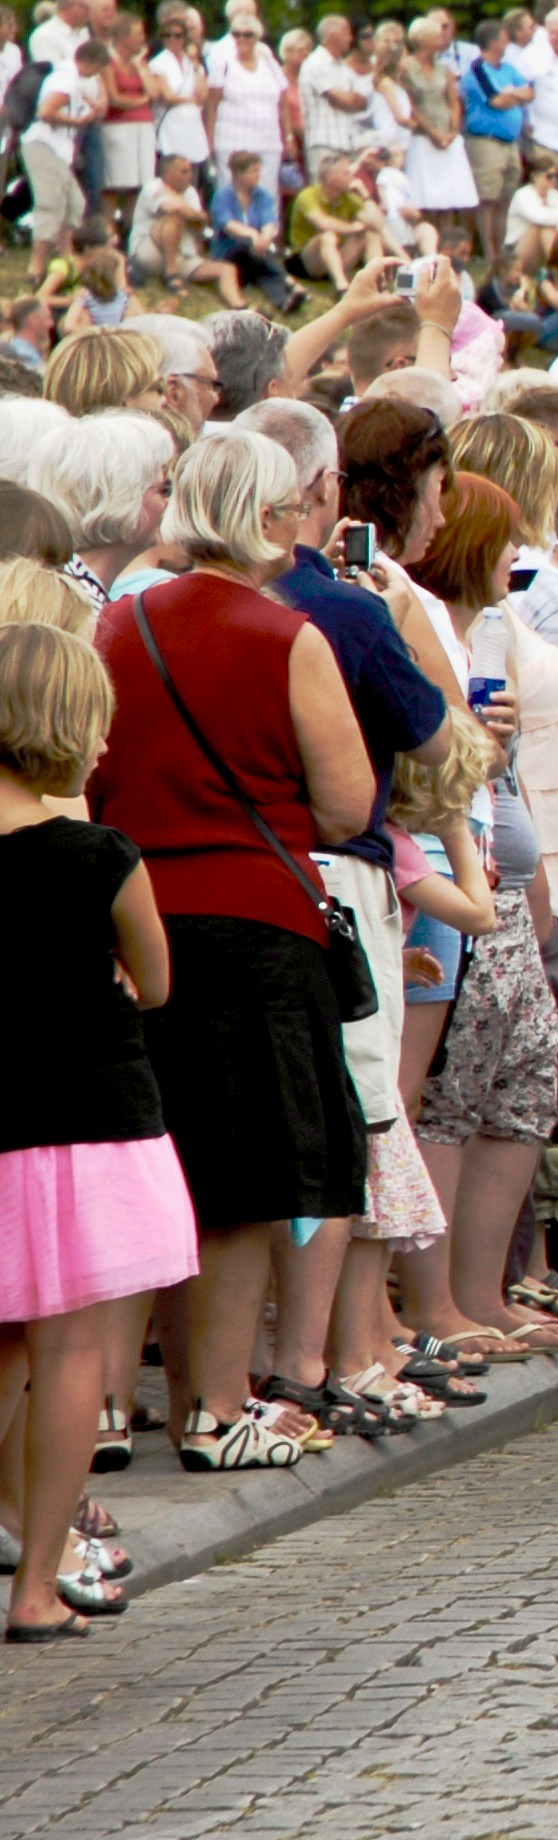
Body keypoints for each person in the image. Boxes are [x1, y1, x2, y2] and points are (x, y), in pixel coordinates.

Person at [87, 428, 376, 1473]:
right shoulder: (286, 635)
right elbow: (346, 805)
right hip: (258, 923)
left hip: (135, 916)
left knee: (144, 1166)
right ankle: (212, 1409)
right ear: (263, 516)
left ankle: (103, 1408)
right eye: (293, 507)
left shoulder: (117, 624)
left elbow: (92, 776)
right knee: (243, 1184)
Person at [0, 621, 197, 1637]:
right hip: (84, 1118)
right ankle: (38, 1584)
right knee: (71, 1351)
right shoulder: (97, 855)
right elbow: (154, 981)